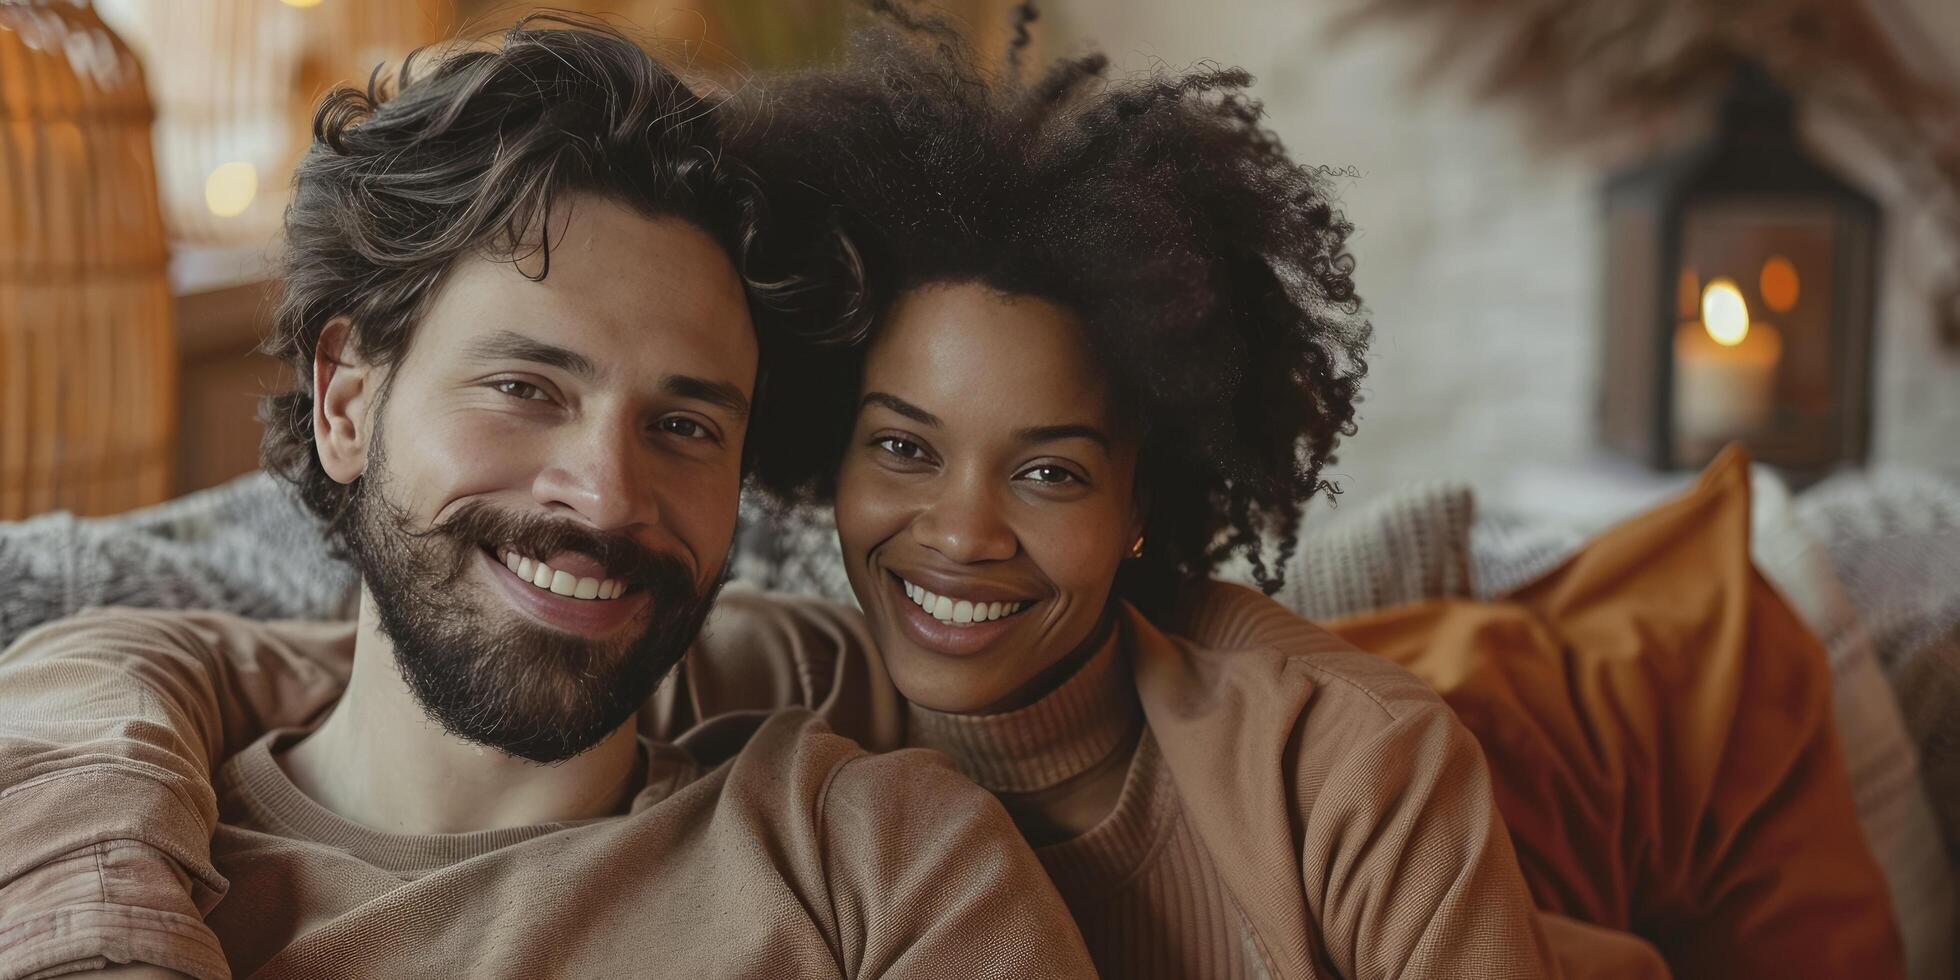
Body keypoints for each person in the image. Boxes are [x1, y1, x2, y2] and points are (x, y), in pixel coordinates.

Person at [0, 17, 1099, 980]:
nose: (607, 496)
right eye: (525, 388)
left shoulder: (884, 866)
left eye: (684, 425)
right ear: (344, 400)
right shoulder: (107, 843)